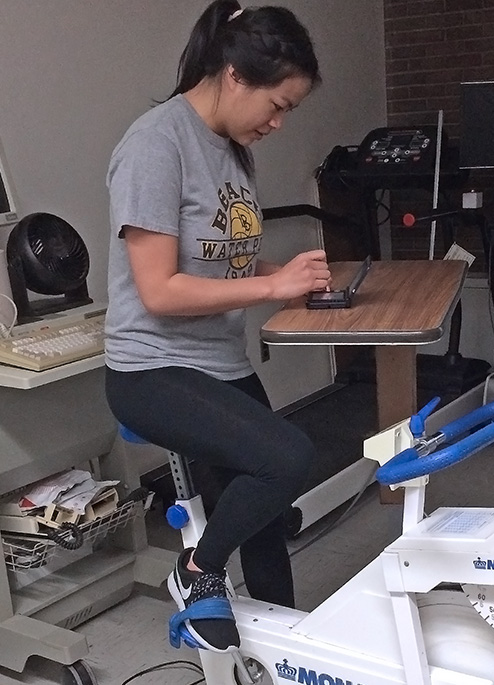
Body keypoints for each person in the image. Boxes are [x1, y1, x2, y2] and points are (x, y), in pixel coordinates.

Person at [103, 0, 326, 654]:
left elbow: (222, 250)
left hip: (220, 363)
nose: (279, 122)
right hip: (152, 369)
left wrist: (284, 270)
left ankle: (284, 660)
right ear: (235, 75)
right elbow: (160, 287)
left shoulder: (233, 149)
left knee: (264, 526)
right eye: (277, 104)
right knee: (287, 456)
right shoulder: (154, 144)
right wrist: (271, 287)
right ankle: (196, 568)